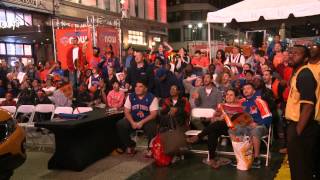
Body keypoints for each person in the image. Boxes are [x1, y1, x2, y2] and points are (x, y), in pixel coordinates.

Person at [285, 45, 320, 180]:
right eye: (290, 53)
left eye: (297, 53)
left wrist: (297, 132)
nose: (292, 55)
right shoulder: (298, 73)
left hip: (303, 127)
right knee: (299, 169)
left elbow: (308, 106)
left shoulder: (305, 74)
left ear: (305, 58)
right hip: (298, 126)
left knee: (301, 171)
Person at [187, 89, 244, 168]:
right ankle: (211, 159)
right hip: (220, 127)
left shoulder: (239, 107)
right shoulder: (221, 106)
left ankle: (199, 136)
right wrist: (218, 118)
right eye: (227, 94)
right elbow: (213, 119)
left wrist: (227, 118)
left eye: (231, 95)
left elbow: (240, 121)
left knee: (217, 125)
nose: (228, 96)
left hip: (232, 129)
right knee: (213, 132)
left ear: (235, 97)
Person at [116, 80, 158, 156]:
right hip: (133, 120)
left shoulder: (152, 98)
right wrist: (132, 122)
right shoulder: (131, 96)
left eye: (140, 86)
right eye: (136, 86)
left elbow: (153, 114)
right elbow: (126, 111)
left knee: (152, 126)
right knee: (121, 124)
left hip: (146, 121)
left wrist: (141, 122)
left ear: (145, 89)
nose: (137, 88)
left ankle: (151, 149)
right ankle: (130, 145)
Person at [239, 83, 272, 168]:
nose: (245, 90)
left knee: (255, 130)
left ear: (254, 91)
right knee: (236, 129)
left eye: (248, 88)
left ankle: (256, 158)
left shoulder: (259, 101)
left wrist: (257, 123)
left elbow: (268, 117)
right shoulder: (241, 102)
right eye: (244, 89)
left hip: (261, 126)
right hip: (246, 126)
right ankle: (240, 156)